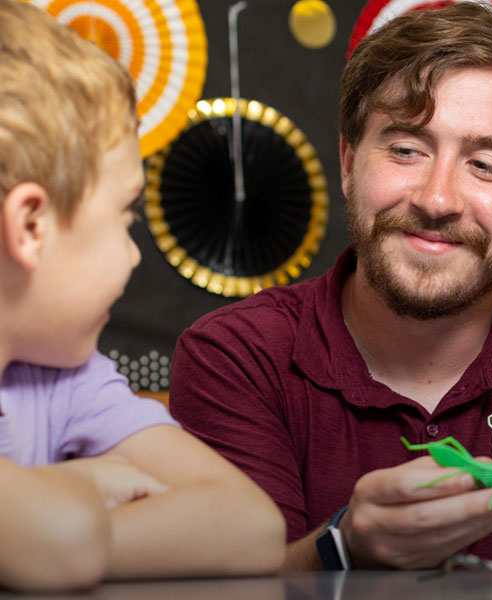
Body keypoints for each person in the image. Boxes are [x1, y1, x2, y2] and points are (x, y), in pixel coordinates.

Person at [170, 2, 492, 571]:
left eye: (487, 165)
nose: (436, 199)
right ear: (349, 162)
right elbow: (223, 584)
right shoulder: (236, 356)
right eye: (405, 150)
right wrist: (343, 548)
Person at [0, 0, 285, 591]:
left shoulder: (63, 376)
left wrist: (61, 524)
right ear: (30, 225)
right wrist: (80, 489)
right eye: (126, 211)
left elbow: (251, 527)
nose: (134, 253)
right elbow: (61, 540)